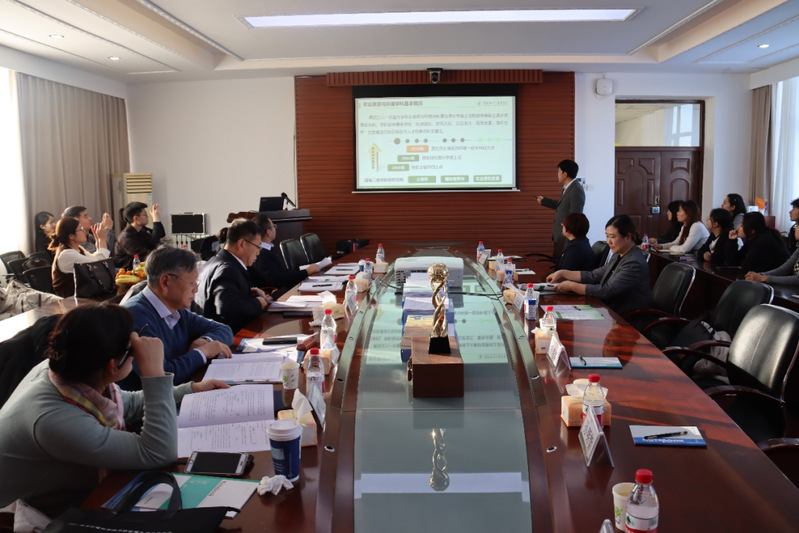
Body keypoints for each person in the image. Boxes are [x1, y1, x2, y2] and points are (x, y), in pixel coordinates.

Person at [0, 303, 227, 517]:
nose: (139, 345)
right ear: (112, 365)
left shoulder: (67, 371)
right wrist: (154, 374)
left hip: (69, 490)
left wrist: (190, 390)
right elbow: (157, 452)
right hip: (31, 513)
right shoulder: (53, 419)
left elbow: (128, 404)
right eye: (132, 347)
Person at [120, 245, 234, 390]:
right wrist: (203, 352)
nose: (196, 289)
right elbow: (163, 377)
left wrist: (204, 341)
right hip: (148, 402)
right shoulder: (134, 317)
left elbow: (224, 330)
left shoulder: (176, 310)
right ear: (165, 282)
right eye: (192, 283)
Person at [546, 215, 651, 318]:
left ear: (628, 237)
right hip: (609, 311)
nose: (608, 242)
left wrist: (572, 286)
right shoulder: (618, 255)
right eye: (607, 236)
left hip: (625, 318)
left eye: (612, 237)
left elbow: (607, 291)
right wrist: (563, 273)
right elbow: (593, 275)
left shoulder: (634, 263)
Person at [196, 218, 270, 333]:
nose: (258, 252)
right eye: (257, 246)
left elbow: (221, 296)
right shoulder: (227, 269)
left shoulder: (215, 261)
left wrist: (247, 293)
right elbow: (227, 308)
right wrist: (257, 303)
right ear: (241, 244)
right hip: (223, 338)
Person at [249, 213, 319, 294]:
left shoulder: (268, 249)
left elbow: (283, 273)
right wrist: (306, 272)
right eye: (273, 226)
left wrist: (304, 272)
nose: (275, 228)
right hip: (276, 294)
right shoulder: (261, 254)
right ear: (268, 232)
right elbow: (277, 279)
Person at [536, 159, 585, 260]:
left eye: (558, 172)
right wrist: (544, 201)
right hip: (561, 234)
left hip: (567, 235)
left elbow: (575, 215)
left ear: (565, 174)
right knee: (558, 262)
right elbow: (561, 205)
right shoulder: (568, 187)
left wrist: (568, 230)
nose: (557, 175)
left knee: (562, 263)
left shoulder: (576, 190)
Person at [48, 216, 110, 297]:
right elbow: (100, 265)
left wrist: (98, 240)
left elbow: (94, 259)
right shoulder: (67, 254)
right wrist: (102, 240)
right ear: (71, 236)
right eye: (80, 229)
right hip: (70, 300)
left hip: (82, 295)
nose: (84, 231)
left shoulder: (78, 248)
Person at [114, 201, 166, 269]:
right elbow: (146, 256)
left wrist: (156, 217)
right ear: (136, 218)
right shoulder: (126, 237)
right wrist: (155, 219)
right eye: (144, 215)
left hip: (139, 269)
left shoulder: (140, 231)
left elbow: (158, 237)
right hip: (126, 273)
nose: (147, 217)